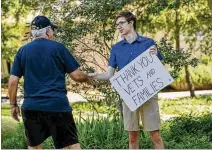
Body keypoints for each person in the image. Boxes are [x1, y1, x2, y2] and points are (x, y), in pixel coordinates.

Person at [8, 15, 89, 149]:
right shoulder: (58, 48)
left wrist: (12, 105)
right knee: (71, 146)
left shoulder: (22, 51)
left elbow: (13, 81)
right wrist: (87, 77)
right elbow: (77, 76)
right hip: (56, 105)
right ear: (47, 31)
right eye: (52, 29)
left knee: (34, 147)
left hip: (31, 107)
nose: (53, 33)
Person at [88, 11, 165, 149]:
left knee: (156, 135)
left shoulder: (148, 43)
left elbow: (159, 70)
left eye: (121, 23)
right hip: (129, 95)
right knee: (132, 137)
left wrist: (155, 56)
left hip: (148, 94)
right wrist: (94, 76)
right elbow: (109, 75)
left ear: (131, 23)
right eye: (116, 25)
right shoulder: (116, 49)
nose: (118, 27)